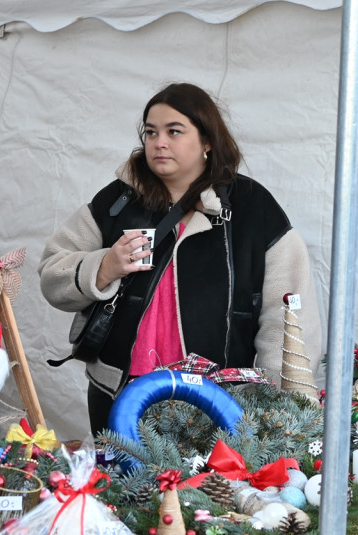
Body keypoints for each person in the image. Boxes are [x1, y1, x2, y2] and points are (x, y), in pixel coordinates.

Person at [38, 82, 320, 435]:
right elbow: (52, 272)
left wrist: (276, 407)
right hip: (119, 393)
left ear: (207, 141)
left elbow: (287, 313)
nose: (159, 142)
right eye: (151, 132)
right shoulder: (118, 201)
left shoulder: (253, 207)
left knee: (206, 491)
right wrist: (104, 267)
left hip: (219, 402)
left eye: (174, 131)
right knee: (122, 488)